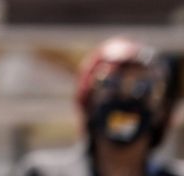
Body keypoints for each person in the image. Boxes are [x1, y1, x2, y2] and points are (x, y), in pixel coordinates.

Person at [15, 37, 183, 176]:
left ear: (162, 110)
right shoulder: (41, 172)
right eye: (111, 85)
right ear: (89, 100)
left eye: (142, 88)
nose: (125, 98)